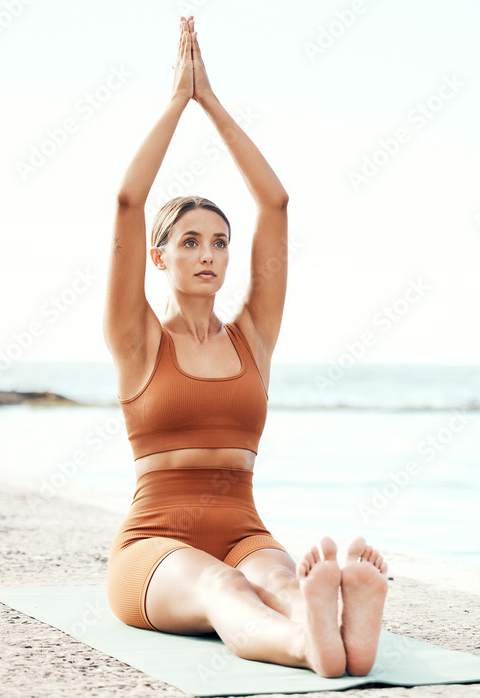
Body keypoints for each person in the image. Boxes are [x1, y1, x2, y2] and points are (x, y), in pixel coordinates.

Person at [103, 16, 387, 678]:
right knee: (223, 590)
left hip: (243, 530)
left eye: (221, 242)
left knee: (285, 584)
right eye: (191, 241)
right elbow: (126, 200)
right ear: (158, 256)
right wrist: (180, 101)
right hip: (155, 544)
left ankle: (341, 631)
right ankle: (310, 646)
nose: (209, 254)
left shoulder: (253, 336)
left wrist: (216, 105)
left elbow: (276, 203)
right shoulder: (136, 337)